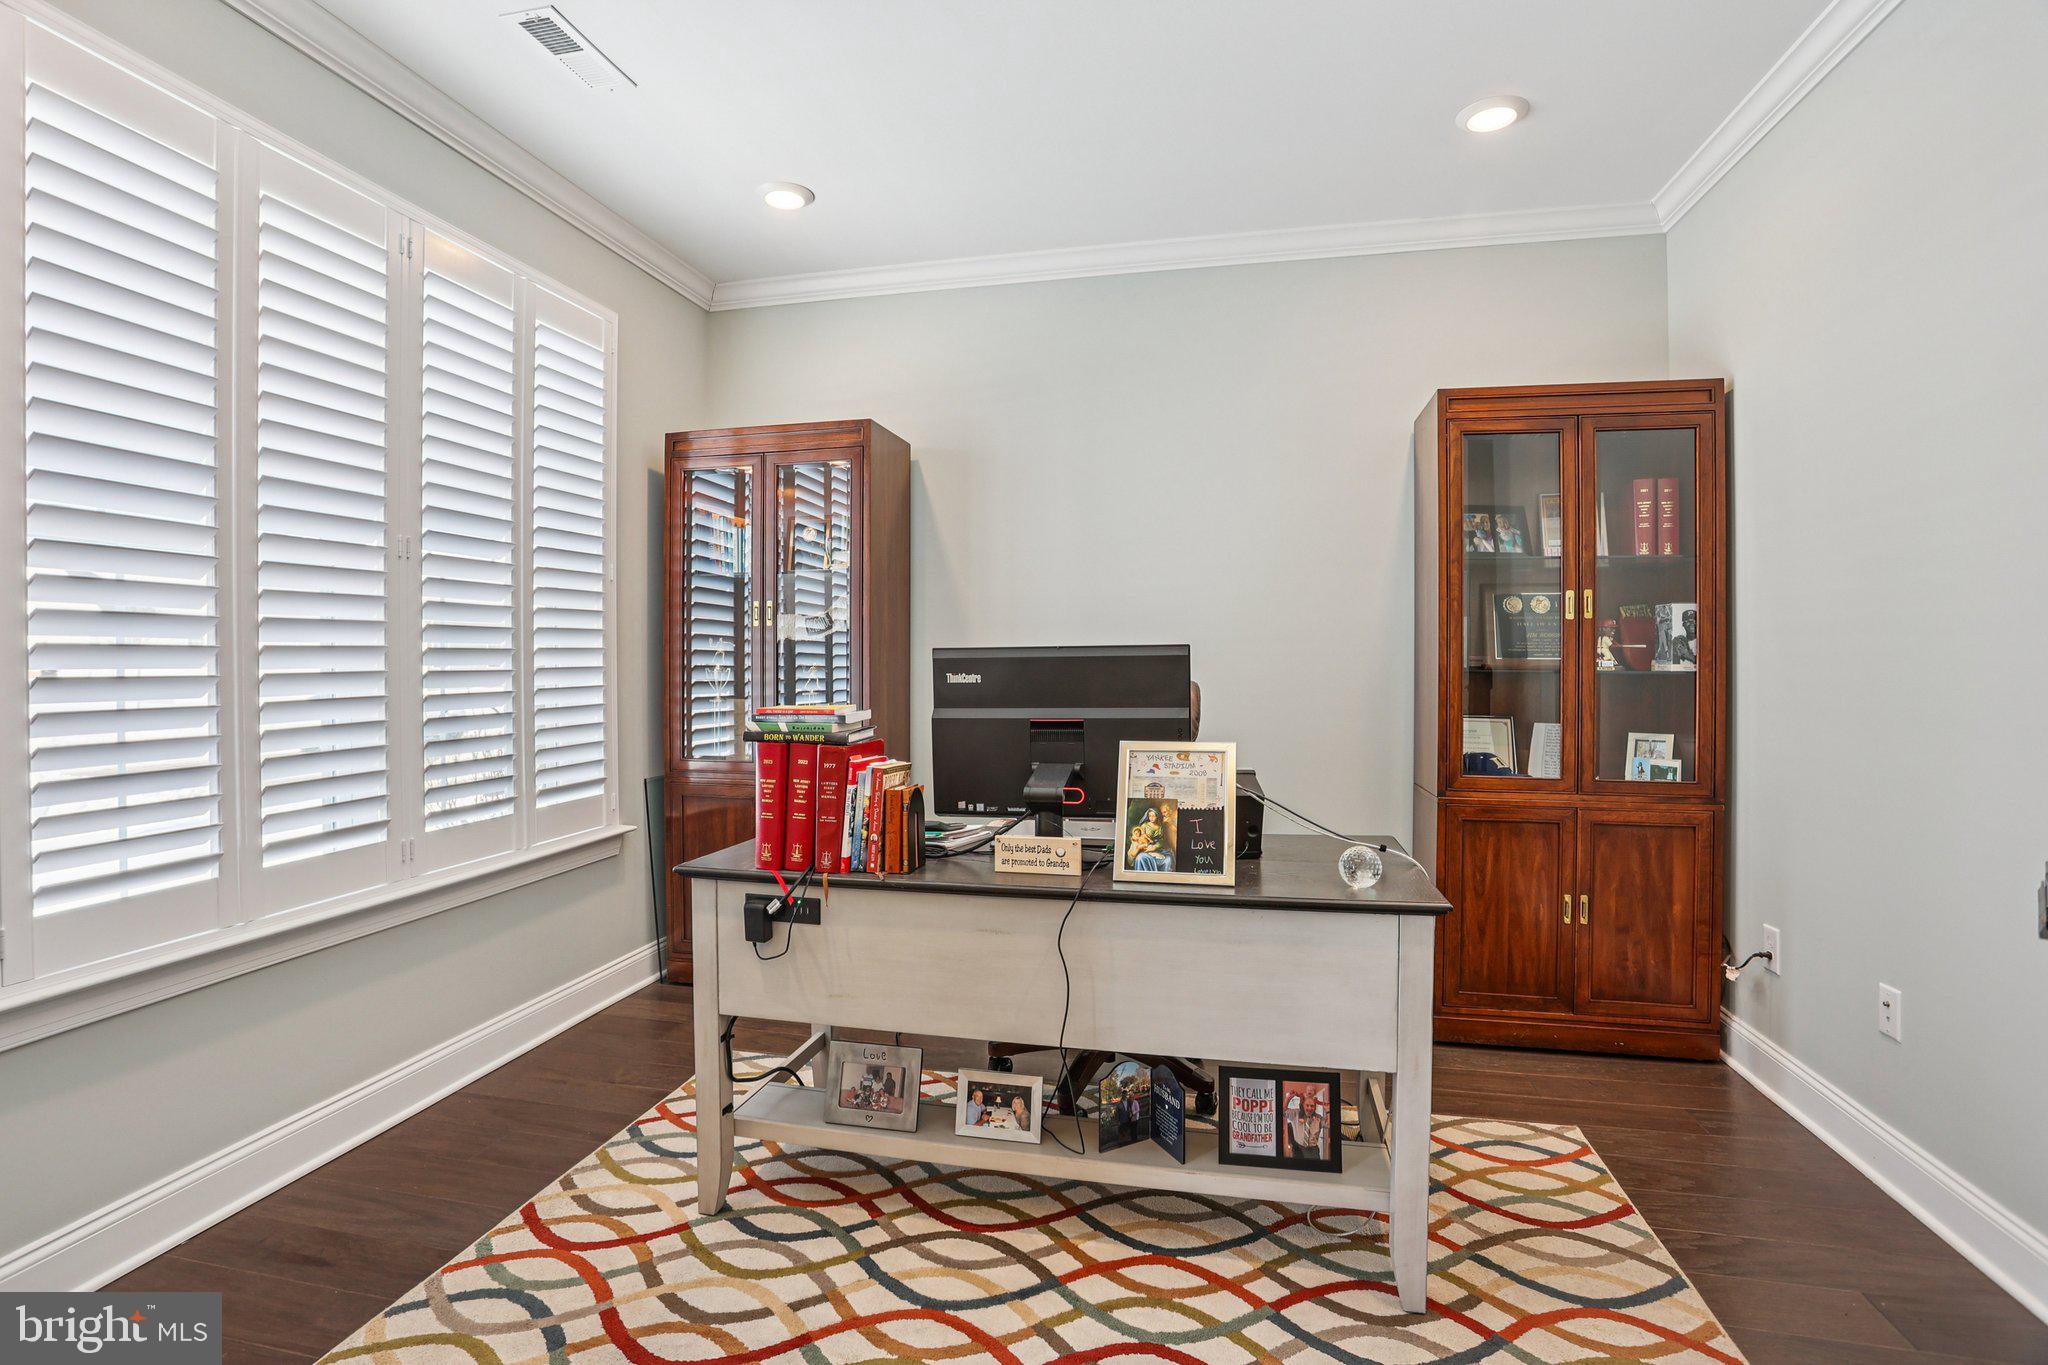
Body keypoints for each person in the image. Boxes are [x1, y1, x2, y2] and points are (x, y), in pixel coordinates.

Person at [1128, 807, 1171, 872]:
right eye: (1150, 816)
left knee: (1168, 859)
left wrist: (1155, 847)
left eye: (1153, 816)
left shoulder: (1160, 827)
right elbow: (1141, 836)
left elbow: (1161, 840)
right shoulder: (1145, 825)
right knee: (1141, 857)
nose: (1151, 818)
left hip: (1156, 848)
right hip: (1144, 846)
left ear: (1157, 816)